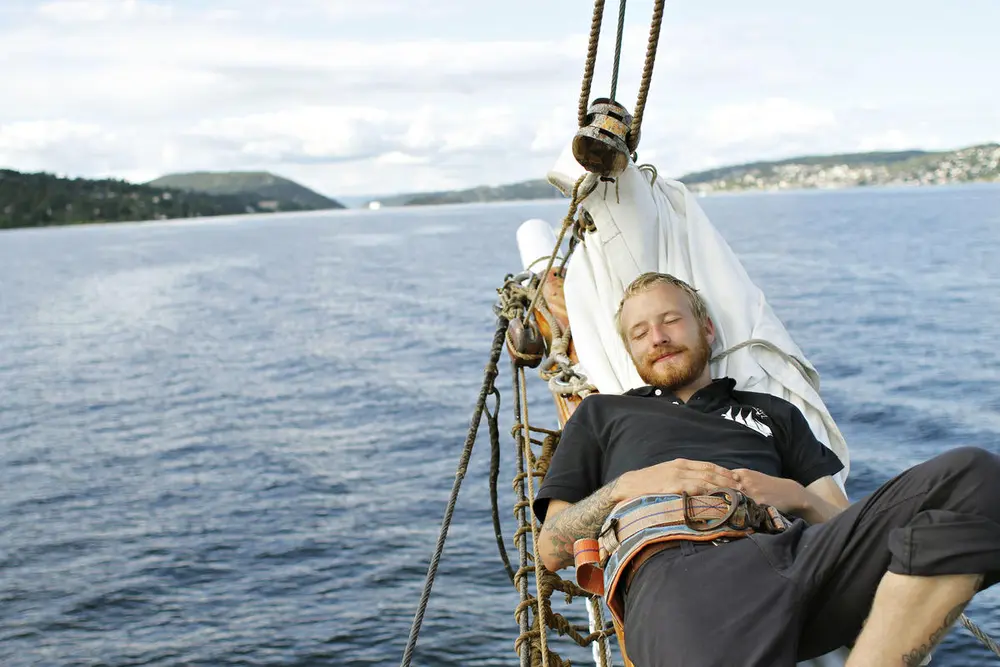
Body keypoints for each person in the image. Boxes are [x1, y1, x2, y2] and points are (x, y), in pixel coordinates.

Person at [534, 272, 1000, 667]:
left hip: (798, 555)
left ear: (708, 329)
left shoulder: (774, 412)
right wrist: (628, 487)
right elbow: (551, 547)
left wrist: (797, 497)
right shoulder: (603, 415)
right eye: (640, 333)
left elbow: (841, 520)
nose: (657, 337)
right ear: (631, 353)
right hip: (680, 571)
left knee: (976, 478)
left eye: (671, 320)